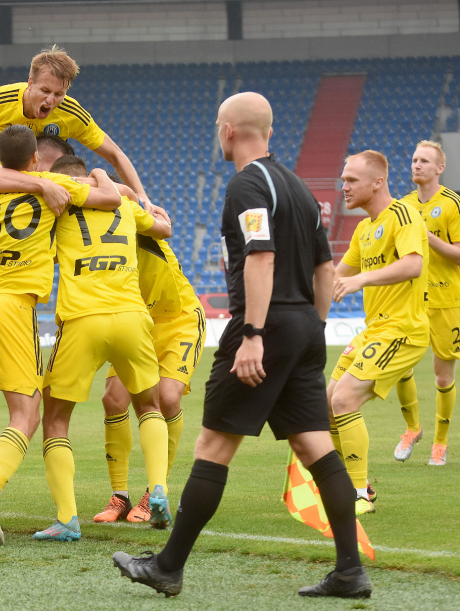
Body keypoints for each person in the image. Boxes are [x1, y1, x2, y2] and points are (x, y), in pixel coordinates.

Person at [113, 93, 370, 599]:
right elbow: (326, 269)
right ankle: (349, 571)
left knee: (213, 446)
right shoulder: (299, 188)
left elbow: (260, 258)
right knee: (314, 443)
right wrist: (312, 331)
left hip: (265, 326)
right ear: (267, 132)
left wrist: (253, 334)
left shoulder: (246, 184)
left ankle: (166, 566)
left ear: (228, 130)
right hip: (303, 326)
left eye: (217, 126)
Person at [0, 125, 121, 544]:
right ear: (35, 160)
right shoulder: (50, 186)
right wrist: (101, 177)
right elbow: (110, 198)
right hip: (14, 307)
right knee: (27, 411)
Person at [33, 154, 172, 541]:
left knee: (56, 419)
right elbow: (163, 229)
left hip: (82, 320)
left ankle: (67, 520)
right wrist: (138, 198)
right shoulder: (124, 205)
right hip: (131, 315)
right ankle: (157, 488)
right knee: (149, 406)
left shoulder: (56, 209)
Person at [98, 183, 206, 524]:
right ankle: (119, 496)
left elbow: (132, 198)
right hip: (138, 322)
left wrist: (133, 198)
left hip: (180, 320)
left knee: (167, 398)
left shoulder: (138, 222)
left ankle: (154, 492)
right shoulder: (94, 234)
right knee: (113, 400)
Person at [330, 151, 430, 515]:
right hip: (374, 331)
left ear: (378, 182)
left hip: (404, 330)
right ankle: (356, 485)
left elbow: (414, 264)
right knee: (325, 408)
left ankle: (358, 494)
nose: (343, 187)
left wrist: (362, 278)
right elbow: (336, 277)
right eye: (343, 180)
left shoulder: (404, 215)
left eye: (351, 180)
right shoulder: (364, 228)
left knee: (343, 401)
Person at [0, 45, 152, 206]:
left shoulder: (72, 113)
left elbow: (115, 154)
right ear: (31, 83)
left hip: (44, 196)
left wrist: (142, 196)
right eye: (45, 90)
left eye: (59, 94)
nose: (50, 100)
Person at [393, 141, 460, 466]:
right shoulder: (403, 206)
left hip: (448, 301)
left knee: (443, 377)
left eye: (425, 161)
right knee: (400, 367)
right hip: (411, 301)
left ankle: (440, 442)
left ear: (439, 168)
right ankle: (412, 429)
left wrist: (426, 235)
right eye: (414, 159)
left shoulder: (452, 204)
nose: (417, 165)